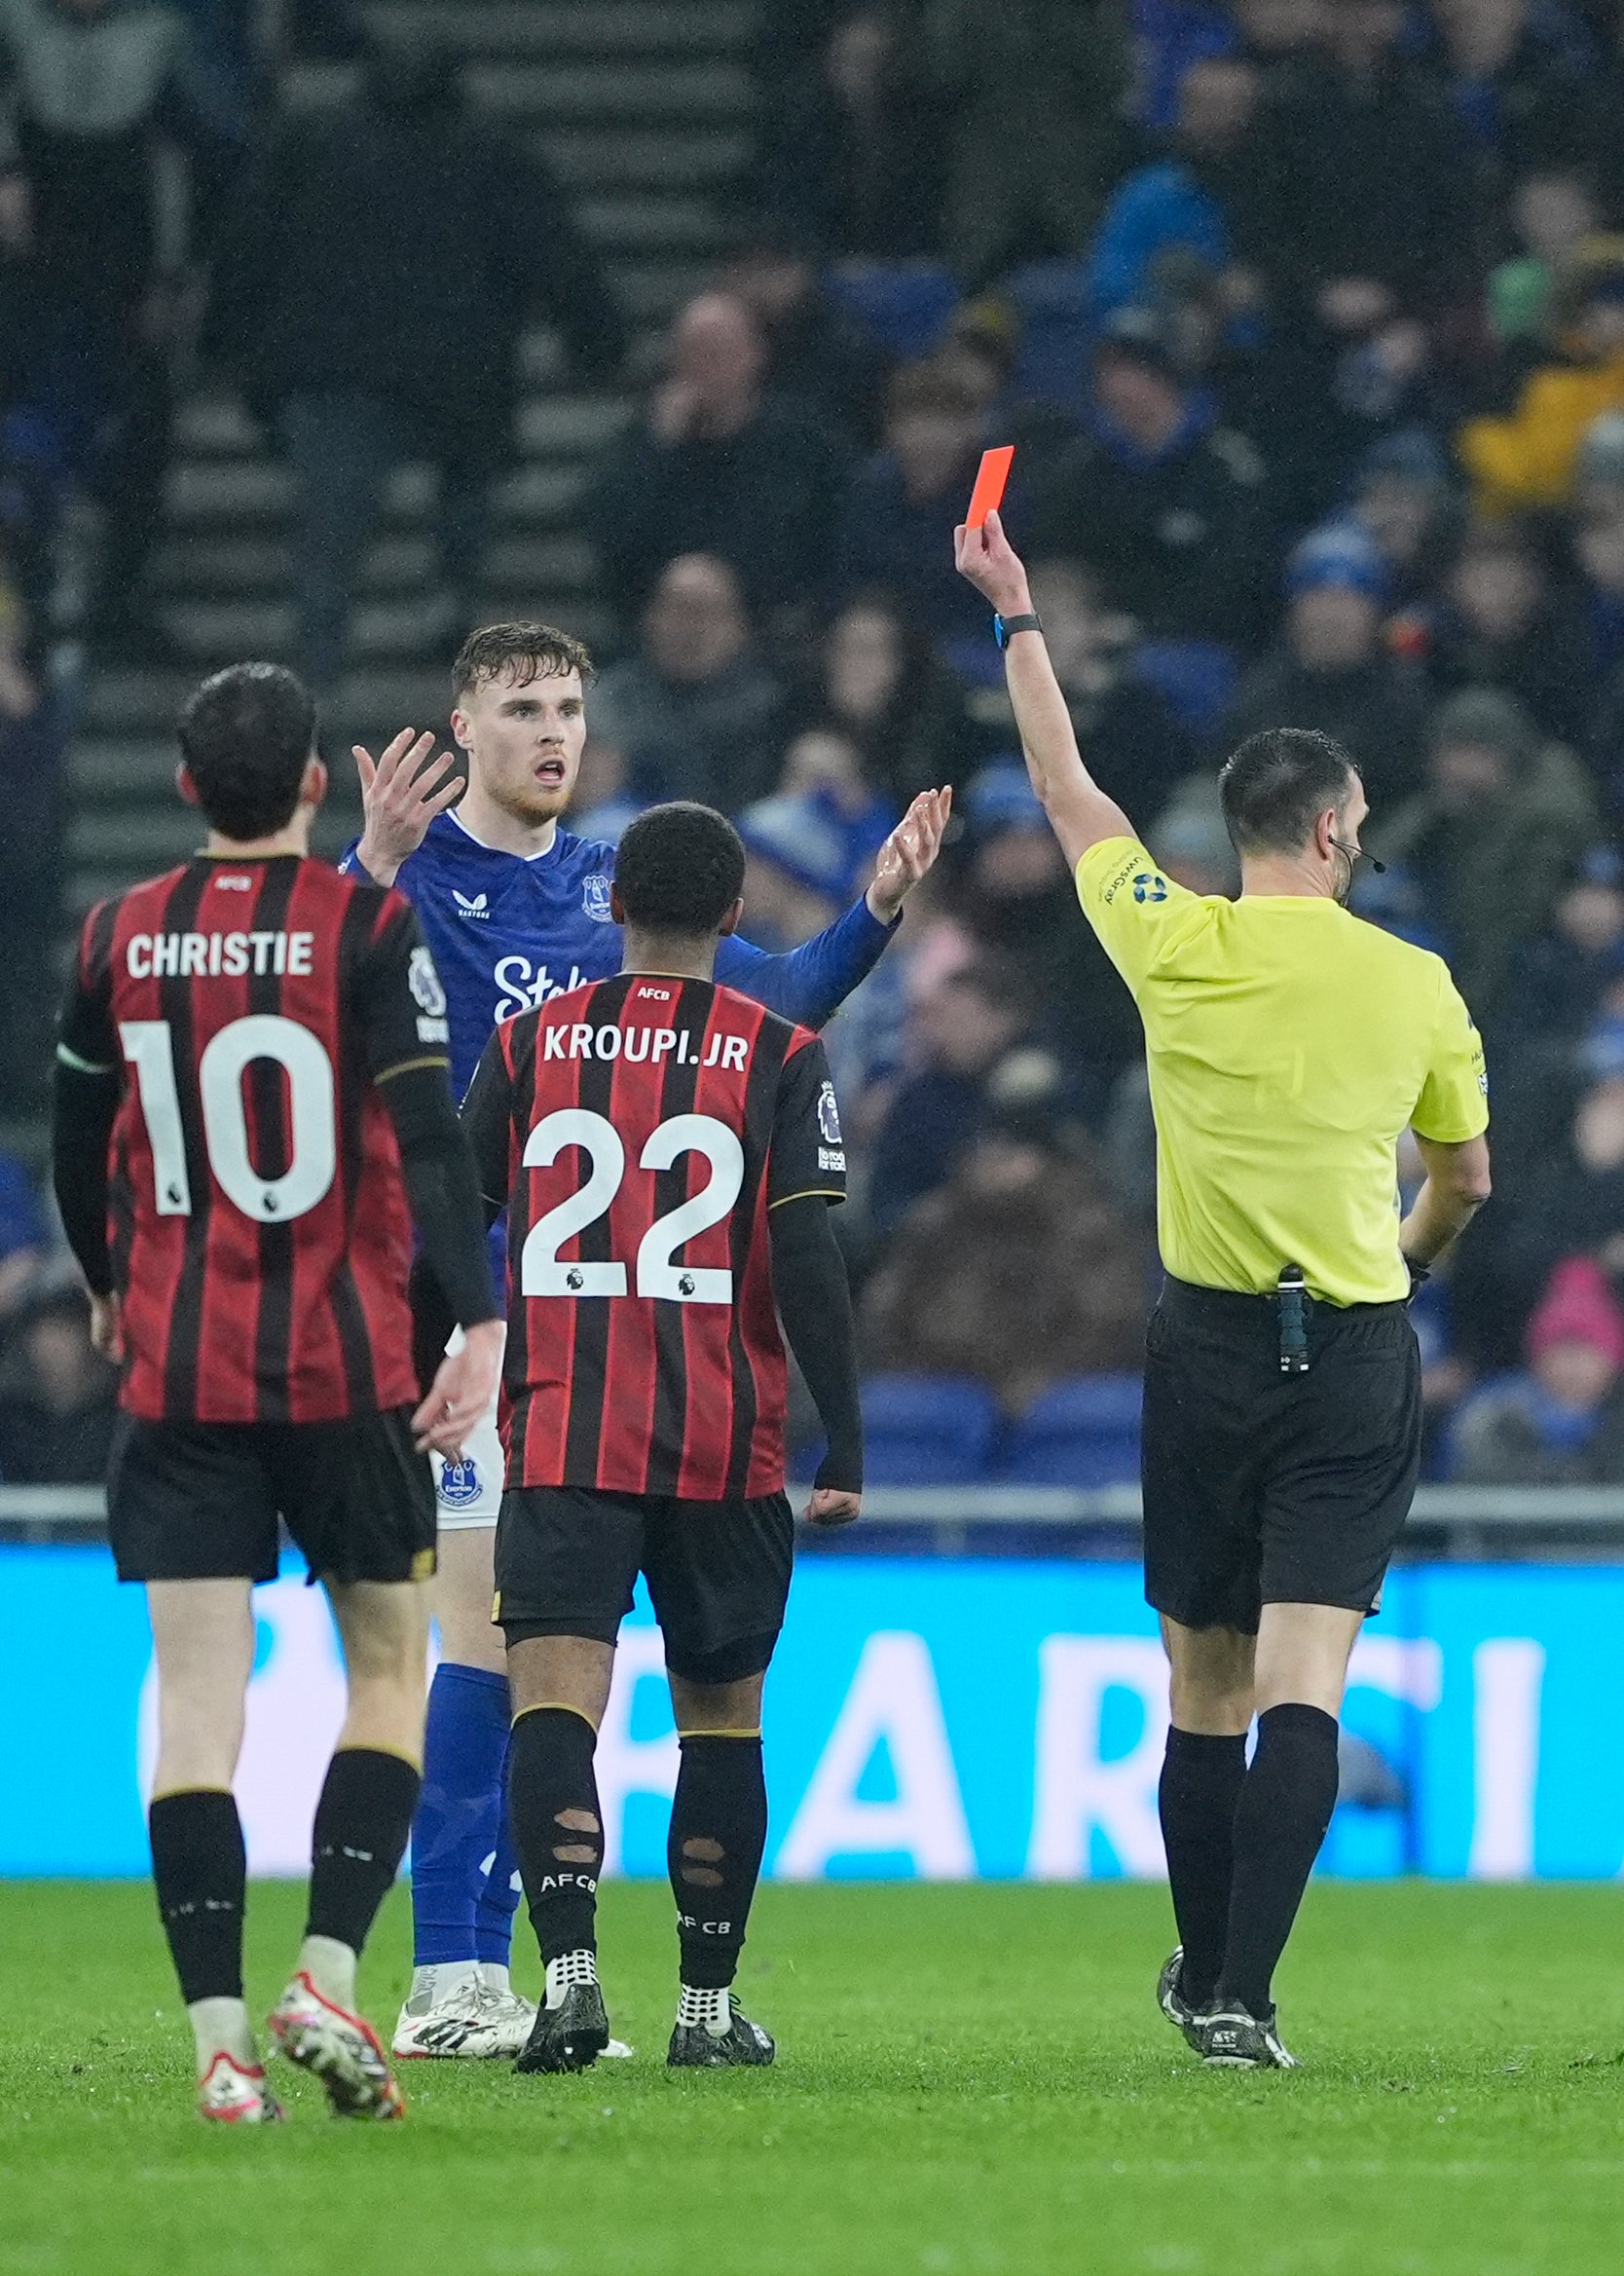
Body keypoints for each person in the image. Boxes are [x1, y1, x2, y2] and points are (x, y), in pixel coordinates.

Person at [341, 621, 947, 2061]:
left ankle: (504, 1972)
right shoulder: (407, 885)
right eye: (524, 709)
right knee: (490, 1640)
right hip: (475, 1331)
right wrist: (363, 869)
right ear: (465, 726)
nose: (554, 732)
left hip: (599, 1343)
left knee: (522, 1648)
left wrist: (870, 915)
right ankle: (454, 1967)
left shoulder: (600, 889)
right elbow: (309, 1015)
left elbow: (771, 1010)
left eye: (568, 707)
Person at [955, 507, 1492, 2067]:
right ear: (1332, 831)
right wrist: (1407, 1256)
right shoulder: (1416, 983)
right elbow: (1464, 1182)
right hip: (1357, 1346)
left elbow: (1065, 790)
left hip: (1204, 1350)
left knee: (1202, 1675)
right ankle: (1246, 1993)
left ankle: (1198, 1969)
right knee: (1305, 1678)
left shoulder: (1170, 940)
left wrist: (1018, 615)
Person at [50, 661, 503, 2124]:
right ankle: (325, 1969)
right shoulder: (365, 926)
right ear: (315, 784)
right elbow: (435, 1147)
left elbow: (74, 1145)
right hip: (342, 1362)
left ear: (186, 787)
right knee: (389, 1667)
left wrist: (108, 1278)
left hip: (176, 1370)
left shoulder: (116, 936)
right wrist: (478, 1326)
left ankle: (219, 2045)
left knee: (195, 1699)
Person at [460, 801, 864, 2071]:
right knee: (721, 1719)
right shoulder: (780, 1051)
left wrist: (453, 1347)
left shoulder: (529, 1045)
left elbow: (446, 1211)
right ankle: (702, 2009)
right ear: (736, 915)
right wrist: (842, 1434)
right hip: (720, 1444)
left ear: (614, 907)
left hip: (566, 1430)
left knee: (555, 1706)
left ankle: (570, 1980)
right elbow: (806, 1252)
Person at [203, 33, 625, 690]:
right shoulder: (493, 153)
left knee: (332, 530)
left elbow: (247, 245)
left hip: (337, 369)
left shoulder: (312, 144)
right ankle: (451, 603)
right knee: (465, 488)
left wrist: (224, 344)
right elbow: (555, 255)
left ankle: (315, 668)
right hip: (460, 371)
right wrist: (598, 341)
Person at [584, 291, 853, 629]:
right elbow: (613, 541)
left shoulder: (804, 440)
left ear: (756, 356)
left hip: (772, 628)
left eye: (719, 354)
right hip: (664, 631)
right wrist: (658, 452)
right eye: (693, 355)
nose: (706, 368)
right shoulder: (643, 443)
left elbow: (832, 538)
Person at [585, 554, 785, 810]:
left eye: (708, 612)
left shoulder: (775, 709)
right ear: (650, 618)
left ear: (741, 627)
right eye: (678, 609)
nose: (691, 628)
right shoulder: (606, 702)